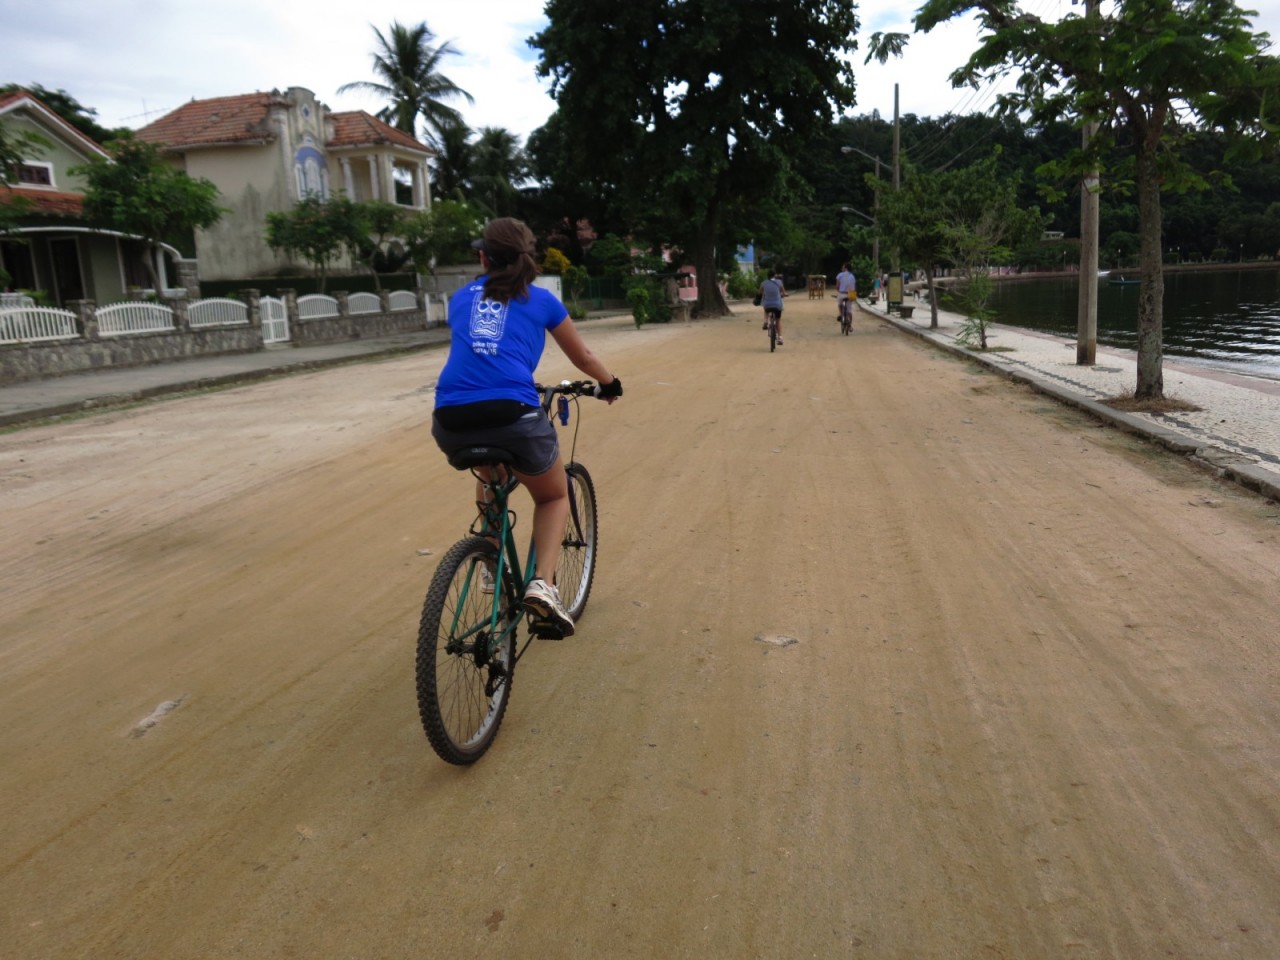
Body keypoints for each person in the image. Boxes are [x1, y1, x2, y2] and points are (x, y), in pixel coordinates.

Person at [431, 217, 622, 637]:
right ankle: (544, 585)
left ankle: (489, 557)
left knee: (491, 471)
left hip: (450, 418)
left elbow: (481, 354)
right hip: (513, 412)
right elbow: (584, 357)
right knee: (554, 493)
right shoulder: (542, 301)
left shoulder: (461, 298)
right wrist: (609, 384)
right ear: (527, 256)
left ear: (483, 258)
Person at [758, 271, 786, 345]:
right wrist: (784, 294)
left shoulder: (763, 283)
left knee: (765, 308)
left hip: (767, 305)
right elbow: (784, 293)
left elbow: (760, 293)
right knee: (778, 320)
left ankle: (765, 321)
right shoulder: (779, 282)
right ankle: (780, 338)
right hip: (777, 305)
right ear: (775, 275)